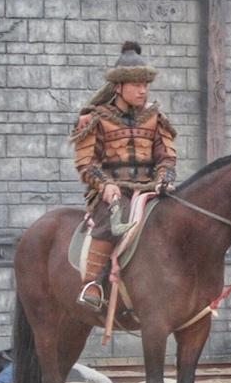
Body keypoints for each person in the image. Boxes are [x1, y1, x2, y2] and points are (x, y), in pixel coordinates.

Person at [72, 41, 178, 311]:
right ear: (118, 87)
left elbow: (166, 156)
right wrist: (105, 185)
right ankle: (92, 283)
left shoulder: (156, 118)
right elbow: (87, 164)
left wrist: (165, 175)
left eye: (146, 84)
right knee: (111, 218)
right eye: (136, 84)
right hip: (113, 192)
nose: (143, 90)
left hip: (151, 189)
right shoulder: (97, 119)